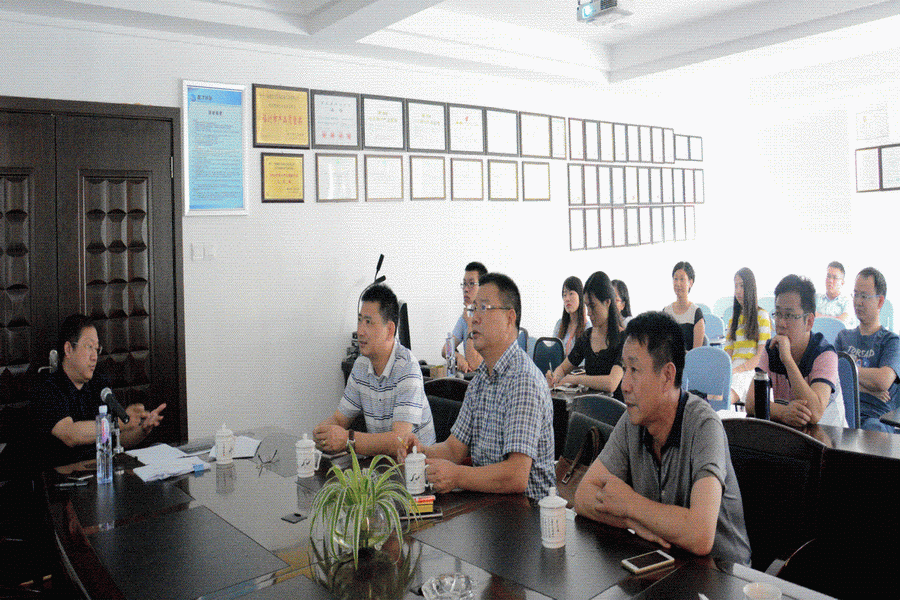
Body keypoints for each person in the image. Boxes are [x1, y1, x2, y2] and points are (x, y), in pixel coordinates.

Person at [573, 312, 751, 565]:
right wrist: (632, 521)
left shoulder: (704, 426)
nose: (624, 385)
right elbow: (583, 496)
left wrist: (630, 504)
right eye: (624, 369)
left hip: (722, 573)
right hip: (666, 562)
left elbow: (701, 535)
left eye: (635, 370)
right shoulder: (633, 420)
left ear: (668, 376)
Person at [402, 273, 554, 500]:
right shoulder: (480, 381)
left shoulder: (523, 380)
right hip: (488, 505)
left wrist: (457, 476)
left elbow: (516, 476)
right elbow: (454, 449)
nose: (473, 319)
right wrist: (421, 451)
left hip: (526, 512)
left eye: (484, 308)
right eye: (473, 310)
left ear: (510, 318)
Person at [315, 284, 435, 455]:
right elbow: (339, 420)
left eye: (368, 322)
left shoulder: (408, 369)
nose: (360, 331)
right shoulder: (361, 365)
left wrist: (348, 439)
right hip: (381, 464)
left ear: (390, 330)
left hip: (416, 465)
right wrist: (322, 433)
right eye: (359, 320)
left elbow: (400, 441)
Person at [33, 314, 166, 466]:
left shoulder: (99, 384)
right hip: (64, 475)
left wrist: (142, 430)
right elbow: (70, 434)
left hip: (100, 471)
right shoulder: (48, 388)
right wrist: (119, 423)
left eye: (97, 349)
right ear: (68, 349)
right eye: (89, 347)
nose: (94, 357)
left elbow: (117, 438)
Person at [747, 275, 846, 427]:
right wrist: (783, 412)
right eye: (778, 314)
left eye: (789, 315)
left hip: (828, 436)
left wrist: (787, 360)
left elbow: (814, 413)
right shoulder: (771, 349)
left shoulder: (825, 354)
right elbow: (751, 402)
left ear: (809, 322)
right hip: (792, 434)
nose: (781, 323)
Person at [835, 267, 900, 432]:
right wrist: (867, 389)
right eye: (855, 295)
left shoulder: (891, 341)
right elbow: (833, 378)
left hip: (875, 418)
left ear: (880, 301)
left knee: (872, 431)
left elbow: (883, 380)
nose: (858, 302)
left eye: (864, 296)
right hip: (842, 413)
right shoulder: (843, 337)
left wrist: (848, 372)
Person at [547, 271, 624, 399]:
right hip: (590, 405)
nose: (589, 312)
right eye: (587, 306)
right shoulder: (587, 337)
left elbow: (611, 383)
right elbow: (563, 368)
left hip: (615, 407)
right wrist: (555, 377)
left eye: (592, 306)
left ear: (607, 302)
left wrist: (576, 379)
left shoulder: (623, 338)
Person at [724, 268, 771, 405]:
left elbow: (760, 357)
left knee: (728, 395)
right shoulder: (733, 319)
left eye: (742, 286)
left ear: (751, 288)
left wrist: (737, 370)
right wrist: (728, 371)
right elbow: (728, 355)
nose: (738, 291)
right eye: (736, 286)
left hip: (751, 370)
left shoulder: (762, 316)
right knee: (716, 390)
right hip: (734, 369)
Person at [442, 261, 487, 373]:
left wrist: (470, 324)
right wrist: (458, 357)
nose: (466, 289)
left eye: (471, 284)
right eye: (464, 284)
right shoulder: (466, 316)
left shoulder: (489, 318)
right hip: (472, 379)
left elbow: (474, 364)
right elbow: (445, 349)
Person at [663, 261, 705, 350]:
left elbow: (696, 353)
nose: (678, 284)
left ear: (690, 283)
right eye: (675, 279)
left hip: (689, 358)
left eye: (682, 279)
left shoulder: (696, 313)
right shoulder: (666, 312)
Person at [553, 275, 590, 357]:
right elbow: (553, 354)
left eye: (571, 293)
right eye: (564, 294)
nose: (567, 299)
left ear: (580, 296)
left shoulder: (587, 328)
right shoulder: (559, 324)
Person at [816, 261, 855, 327]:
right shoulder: (816, 298)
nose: (830, 280)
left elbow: (841, 322)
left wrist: (819, 317)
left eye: (834, 278)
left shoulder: (848, 301)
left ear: (842, 282)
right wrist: (835, 318)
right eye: (828, 276)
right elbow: (810, 317)